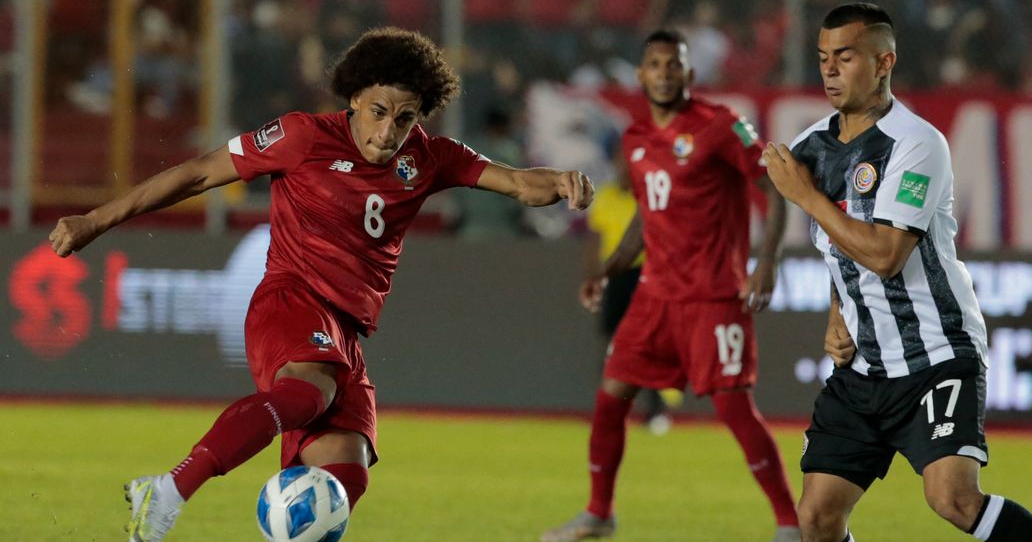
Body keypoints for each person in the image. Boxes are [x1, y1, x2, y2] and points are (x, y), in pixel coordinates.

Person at [48, 27, 595, 542]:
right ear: (354, 97)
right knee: (311, 392)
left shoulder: (429, 157)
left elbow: (518, 183)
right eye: (379, 111)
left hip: (345, 332)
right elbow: (196, 173)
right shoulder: (301, 136)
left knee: (345, 473)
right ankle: (166, 491)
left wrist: (564, 183)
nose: (387, 132)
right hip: (291, 301)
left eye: (404, 119)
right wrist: (95, 221)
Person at [762, 3, 1032, 542]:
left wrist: (804, 196)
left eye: (845, 57)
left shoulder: (917, 144)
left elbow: (884, 254)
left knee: (953, 498)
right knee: (818, 518)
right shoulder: (813, 146)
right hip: (865, 367)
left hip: (936, 354)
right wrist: (837, 308)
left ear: (884, 62)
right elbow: (838, 245)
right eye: (824, 57)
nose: (829, 69)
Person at [542, 30, 800, 542]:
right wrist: (609, 270)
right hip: (654, 296)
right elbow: (645, 217)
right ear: (640, 75)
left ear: (690, 74)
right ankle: (599, 513)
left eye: (673, 64)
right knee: (611, 397)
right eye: (654, 64)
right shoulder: (636, 140)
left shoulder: (721, 126)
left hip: (713, 296)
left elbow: (774, 190)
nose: (663, 72)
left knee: (733, 407)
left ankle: (790, 524)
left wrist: (766, 262)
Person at [581, 141, 674, 435]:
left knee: (646, 345)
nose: (624, 166)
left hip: (645, 275)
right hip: (615, 278)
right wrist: (593, 277)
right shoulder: (605, 196)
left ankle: (656, 410)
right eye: (620, 160)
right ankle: (612, 409)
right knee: (614, 347)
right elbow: (595, 242)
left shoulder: (648, 194)